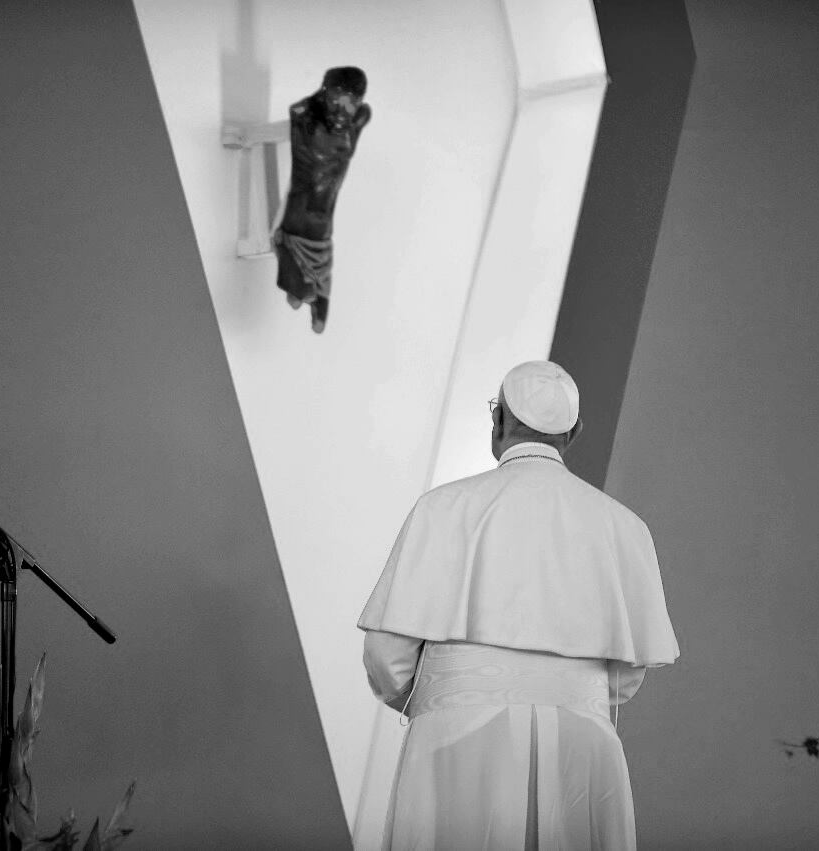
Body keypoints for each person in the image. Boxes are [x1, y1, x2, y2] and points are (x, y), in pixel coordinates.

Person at [358, 360, 679, 850]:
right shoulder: (626, 527)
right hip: (583, 743)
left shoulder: (442, 507)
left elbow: (387, 658)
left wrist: (444, 702)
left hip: (456, 740)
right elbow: (624, 679)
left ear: (497, 421)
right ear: (574, 432)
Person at [273, 66, 371, 334]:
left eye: (351, 102)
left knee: (307, 301)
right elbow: (302, 109)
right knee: (297, 298)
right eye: (337, 99)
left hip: (324, 227)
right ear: (324, 93)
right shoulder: (304, 116)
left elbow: (361, 112)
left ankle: (309, 285)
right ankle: (291, 259)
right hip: (299, 220)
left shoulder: (357, 121)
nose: (343, 110)